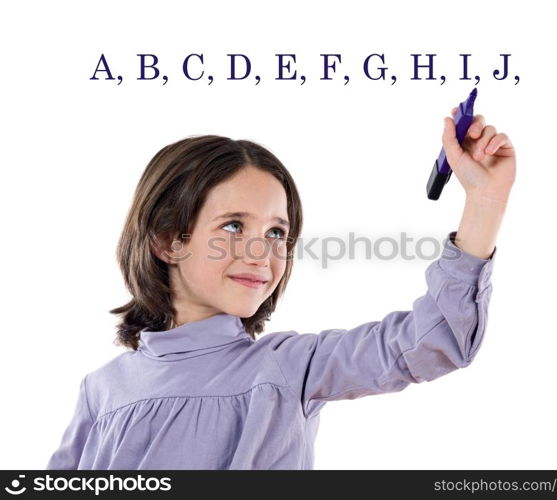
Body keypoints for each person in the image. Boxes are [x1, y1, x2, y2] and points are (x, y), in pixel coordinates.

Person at [46, 109, 516, 469]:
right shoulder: (101, 390)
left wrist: (485, 201)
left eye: (276, 233)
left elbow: (435, 341)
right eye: (233, 225)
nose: (260, 252)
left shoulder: (290, 368)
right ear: (169, 241)